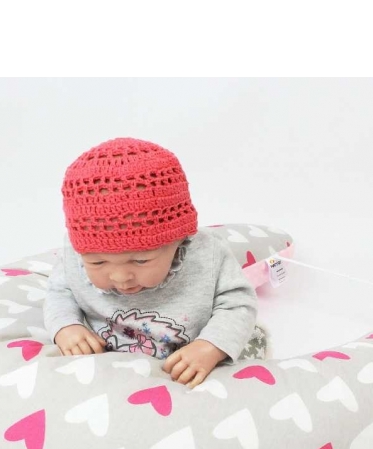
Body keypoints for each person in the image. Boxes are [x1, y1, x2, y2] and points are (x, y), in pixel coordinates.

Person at [43, 137, 267, 389]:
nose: (120, 277)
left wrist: (210, 347)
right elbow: (59, 293)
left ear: (180, 239)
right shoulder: (74, 255)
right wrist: (67, 327)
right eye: (98, 262)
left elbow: (238, 302)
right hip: (112, 361)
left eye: (140, 260)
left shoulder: (207, 253)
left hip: (193, 357)